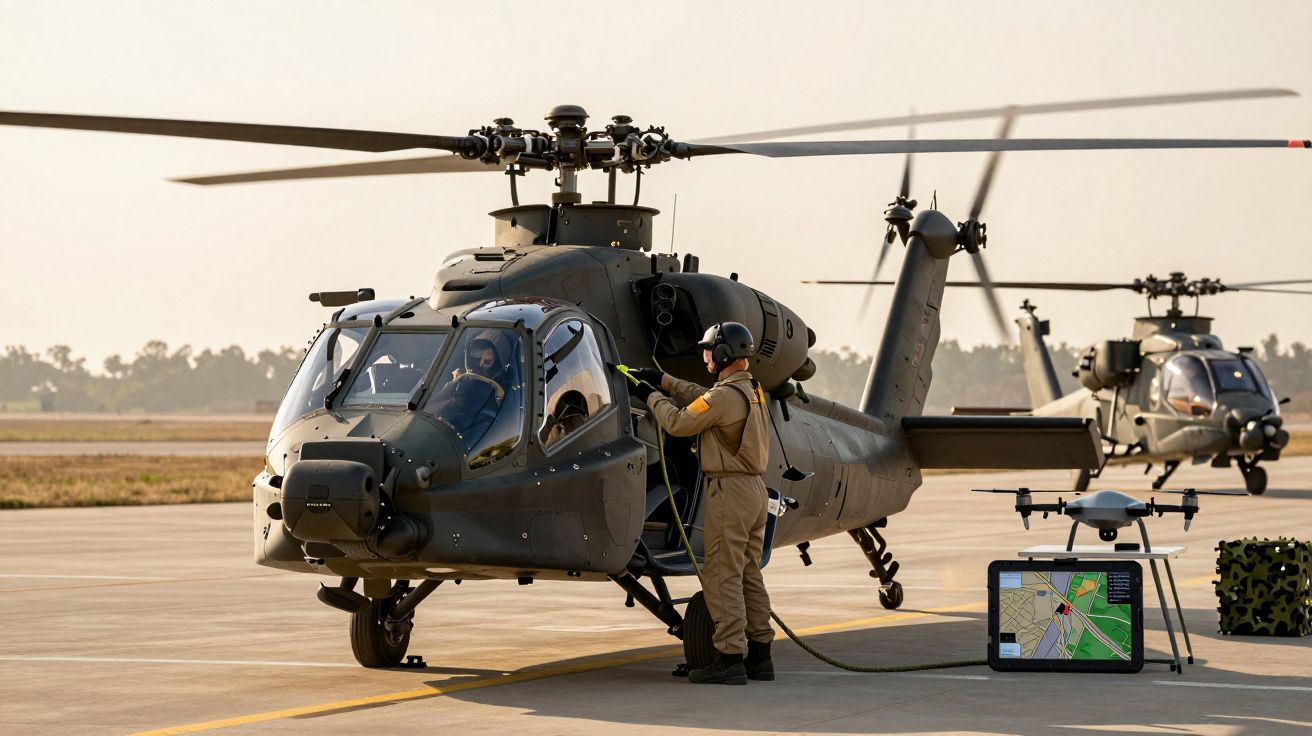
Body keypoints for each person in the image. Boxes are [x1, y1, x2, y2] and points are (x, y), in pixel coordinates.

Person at [627, 321, 774, 685]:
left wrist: (649, 396)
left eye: (709, 352)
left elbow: (678, 423)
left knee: (722, 576)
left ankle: (728, 658)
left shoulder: (726, 396)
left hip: (730, 492)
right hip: (755, 492)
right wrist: (663, 381)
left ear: (724, 353)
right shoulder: (751, 389)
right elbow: (704, 396)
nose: (706, 359)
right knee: (749, 574)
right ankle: (760, 657)